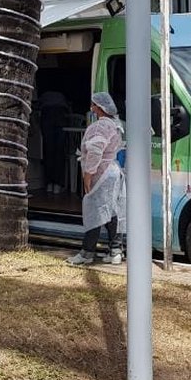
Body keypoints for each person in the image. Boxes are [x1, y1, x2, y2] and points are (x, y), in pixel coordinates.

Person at [67, 92, 126, 266]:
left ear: (99, 108)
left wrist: (88, 175)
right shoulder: (116, 125)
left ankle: (87, 253)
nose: (91, 108)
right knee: (112, 211)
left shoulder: (99, 127)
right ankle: (115, 250)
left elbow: (95, 152)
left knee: (95, 212)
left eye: (93, 105)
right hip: (113, 171)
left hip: (102, 174)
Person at [38, 90, 71, 194]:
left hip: (47, 115)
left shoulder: (44, 93)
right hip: (60, 115)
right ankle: (57, 184)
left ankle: (49, 184)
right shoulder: (61, 96)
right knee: (59, 152)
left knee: (48, 150)